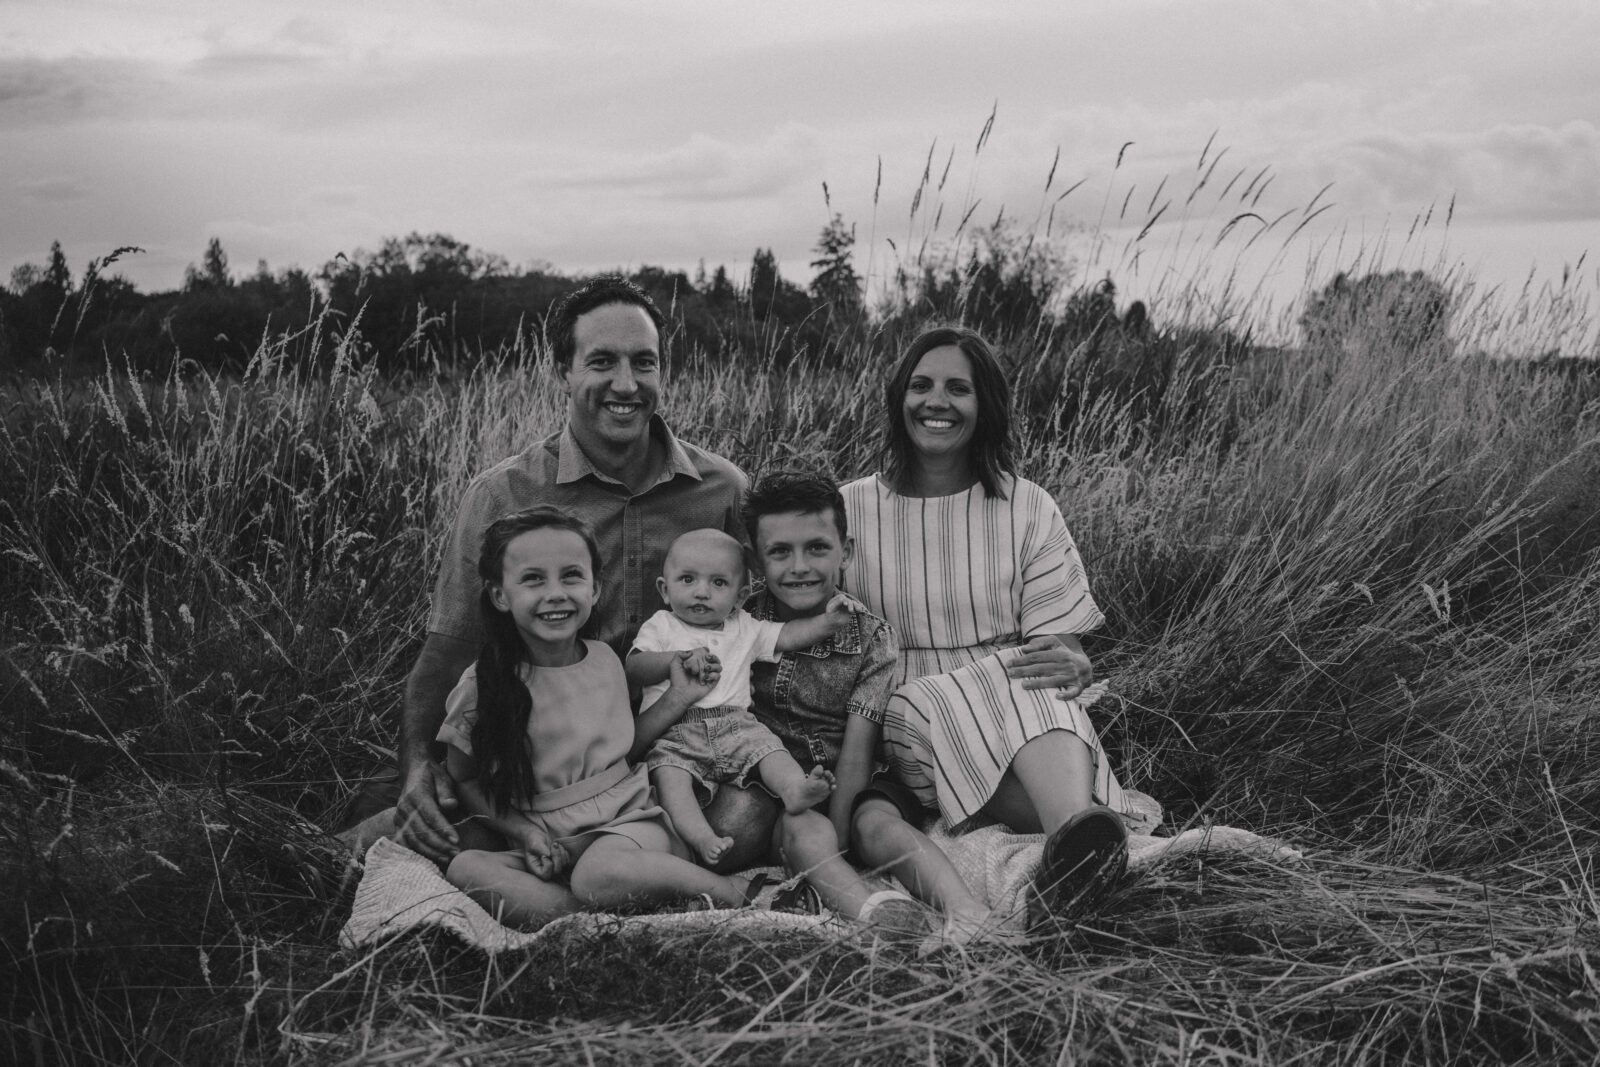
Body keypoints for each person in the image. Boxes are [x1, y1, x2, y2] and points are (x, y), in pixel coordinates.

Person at [385, 276, 753, 865]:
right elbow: (450, 649)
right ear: (563, 370)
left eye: (644, 363)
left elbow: (762, 627)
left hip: (686, 747)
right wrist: (416, 767)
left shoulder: (722, 489)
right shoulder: (504, 494)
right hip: (545, 761)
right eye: (602, 362)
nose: (626, 384)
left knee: (741, 824)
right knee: (436, 835)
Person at [839, 325, 1140, 918]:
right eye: (921, 386)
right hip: (907, 710)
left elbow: (1058, 645)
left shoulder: (1027, 505)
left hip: (1013, 708)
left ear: (986, 405)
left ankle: (1073, 843)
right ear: (899, 399)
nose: (937, 402)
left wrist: (1073, 662)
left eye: (959, 388)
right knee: (986, 684)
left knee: (1035, 677)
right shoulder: (849, 509)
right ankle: (1084, 841)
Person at [441, 507, 765, 927]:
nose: (555, 593)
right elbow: (465, 777)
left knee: (598, 873)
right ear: (500, 594)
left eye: (571, 576)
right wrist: (524, 833)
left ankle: (736, 894)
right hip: (549, 838)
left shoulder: (604, 659)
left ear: (594, 589)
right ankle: (599, 922)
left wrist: (678, 697)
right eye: (533, 579)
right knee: (465, 867)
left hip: (632, 821)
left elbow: (625, 748)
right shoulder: (483, 684)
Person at [742, 471, 1000, 943]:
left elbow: (858, 749)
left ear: (846, 552)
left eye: (817, 548)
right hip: (781, 785)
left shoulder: (872, 637)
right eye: (780, 552)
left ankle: (966, 910)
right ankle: (874, 913)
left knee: (876, 824)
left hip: (859, 774)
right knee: (804, 829)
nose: (799, 566)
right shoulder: (740, 625)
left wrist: (843, 834)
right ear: (757, 560)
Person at [625, 528, 845, 864]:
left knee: (770, 750)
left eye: (718, 583)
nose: (701, 592)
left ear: (740, 597)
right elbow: (634, 667)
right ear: (664, 589)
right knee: (670, 777)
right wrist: (673, 660)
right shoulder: (662, 626)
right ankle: (702, 838)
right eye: (687, 579)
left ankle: (794, 790)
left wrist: (829, 623)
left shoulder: (745, 626)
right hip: (676, 733)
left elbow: (787, 635)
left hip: (736, 725)